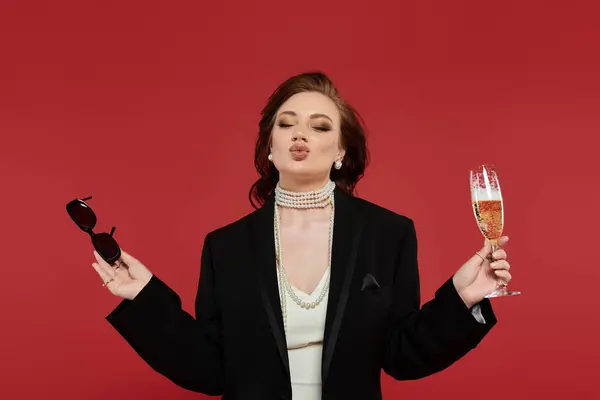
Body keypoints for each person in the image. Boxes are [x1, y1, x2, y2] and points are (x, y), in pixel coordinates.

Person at [91, 72, 512, 400]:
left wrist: (462, 299)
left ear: (341, 151)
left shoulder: (389, 234)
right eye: (286, 123)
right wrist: (144, 296)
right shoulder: (225, 246)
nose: (300, 134)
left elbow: (401, 356)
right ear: (270, 148)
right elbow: (210, 369)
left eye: (320, 126)